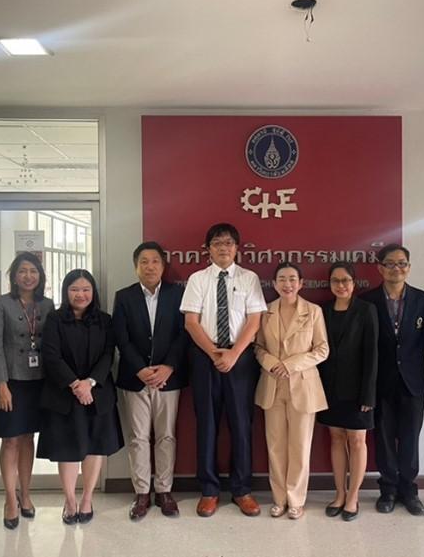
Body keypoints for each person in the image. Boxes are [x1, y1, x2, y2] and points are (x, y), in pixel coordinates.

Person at [180, 222, 267, 518]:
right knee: (207, 424)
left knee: (241, 424)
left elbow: (254, 321)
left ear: (237, 248)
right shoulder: (197, 279)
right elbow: (191, 322)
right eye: (217, 243)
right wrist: (214, 353)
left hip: (240, 358)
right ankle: (209, 490)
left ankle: (242, 490)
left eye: (228, 243)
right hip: (205, 356)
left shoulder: (249, 278)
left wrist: (233, 354)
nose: (223, 248)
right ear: (208, 249)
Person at [37, 269, 124, 525]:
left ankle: (87, 498)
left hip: (97, 394)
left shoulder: (105, 320)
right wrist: (76, 384)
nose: (80, 294)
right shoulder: (54, 319)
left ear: (93, 292)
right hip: (63, 395)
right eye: (74, 289)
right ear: (66, 291)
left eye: (86, 289)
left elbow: (108, 354)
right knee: (67, 450)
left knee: (95, 447)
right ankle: (69, 500)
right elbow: (51, 356)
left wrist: (90, 383)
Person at [113, 241, 188, 520]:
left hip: (168, 379)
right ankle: (142, 492)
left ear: (163, 265)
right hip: (135, 379)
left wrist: (168, 367)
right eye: (143, 261)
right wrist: (140, 369)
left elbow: (184, 333)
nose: (150, 266)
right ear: (136, 266)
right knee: (138, 438)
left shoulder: (177, 294)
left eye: (155, 261)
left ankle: (164, 491)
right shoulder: (124, 296)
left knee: (166, 436)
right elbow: (121, 337)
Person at [254, 262, 329, 520]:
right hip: (272, 385)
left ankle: (296, 500)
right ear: (274, 284)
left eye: (292, 279)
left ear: (301, 283)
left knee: (300, 446)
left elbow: (322, 349)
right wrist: (272, 364)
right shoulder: (265, 311)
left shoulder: (313, 311)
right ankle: (279, 499)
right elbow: (258, 347)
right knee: (275, 446)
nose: (287, 284)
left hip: (303, 386)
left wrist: (291, 364)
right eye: (282, 279)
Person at [0, 252, 54, 529]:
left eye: (33, 271)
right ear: (14, 276)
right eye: (23, 271)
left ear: (40, 276)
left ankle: (26, 494)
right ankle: (9, 499)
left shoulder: (47, 305)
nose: (28, 276)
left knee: (28, 438)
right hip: (10, 382)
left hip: (38, 381)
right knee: (11, 440)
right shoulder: (0, 305)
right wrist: (0, 383)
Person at [361, 244, 424, 516]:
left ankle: (409, 490)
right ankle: (388, 489)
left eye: (402, 263)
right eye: (390, 263)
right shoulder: (367, 301)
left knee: (411, 437)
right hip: (381, 382)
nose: (396, 268)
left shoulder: (423, 300)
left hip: (414, 381)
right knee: (384, 437)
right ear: (380, 268)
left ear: (409, 268)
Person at [317, 262, 378, 522]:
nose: (340, 285)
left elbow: (372, 354)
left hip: (358, 390)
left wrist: (368, 394)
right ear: (329, 284)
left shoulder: (366, 310)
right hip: (329, 388)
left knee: (357, 441)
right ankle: (339, 494)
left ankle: (353, 497)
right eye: (335, 281)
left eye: (345, 280)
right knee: (336, 439)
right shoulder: (323, 311)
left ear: (354, 283)